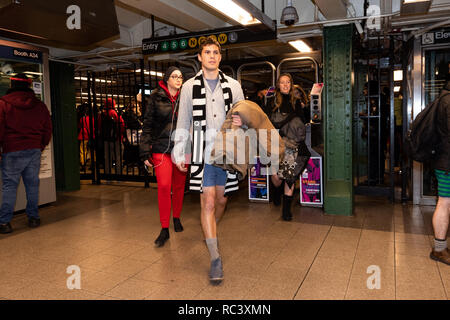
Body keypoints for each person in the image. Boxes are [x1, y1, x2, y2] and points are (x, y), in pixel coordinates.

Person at [174, 36, 244, 283]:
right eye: (207, 52)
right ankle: (215, 257)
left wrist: (241, 121)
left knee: (223, 200)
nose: (212, 56)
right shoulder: (188, 87)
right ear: (200, 57)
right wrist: (180, 151)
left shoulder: (234, 86)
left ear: (220, 57)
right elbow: (183, 121)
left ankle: (209, 229)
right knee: (209, 203)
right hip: (201, 153)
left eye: (216, 52)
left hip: (227, 152)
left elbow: (243, 117)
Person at [139, 66, 187, 247]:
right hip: (161, 148)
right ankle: (164, 228)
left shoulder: (186, 97)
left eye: (180, 77)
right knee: (165, 186)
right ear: (167, 79)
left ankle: (176, 217)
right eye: (174, 76)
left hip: (182, 148)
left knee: (179, 185)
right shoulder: (156, 97)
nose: (178, 79)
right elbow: (148, 125)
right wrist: (144, 151)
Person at [0, 73, 52, 234]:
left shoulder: (3, 104)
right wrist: (40, 144)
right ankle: (33, 217)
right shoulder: (40, 105)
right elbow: (47, 128)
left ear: (12, 85)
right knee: (32, 185)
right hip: (34, 150)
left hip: (11, 150)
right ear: (28, 86)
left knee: (9, 186)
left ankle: (4, 222)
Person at [264, 73, 309, 221]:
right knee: (276, 178)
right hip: (276, 143)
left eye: (288, 82)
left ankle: (286, 211)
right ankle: (276, 192)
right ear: (278, 85)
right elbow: (268, 121)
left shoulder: (296, 102)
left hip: (291, 144)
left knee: (289, 177)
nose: (285, 85)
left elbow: (302, 121)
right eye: (282, 82)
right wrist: (289, 118)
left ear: (291, 84)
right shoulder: (271, 101)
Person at [429, 78, 450, 265]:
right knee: (444, 203)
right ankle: (439, 248)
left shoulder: (442, 99)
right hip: (447, 164)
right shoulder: (448, 101)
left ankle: (440, 247)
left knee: (445, 203)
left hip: (443, 161)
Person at [99, 98, 125, 175]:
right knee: (118, 157)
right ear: (113, 104)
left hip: (106, 139)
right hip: (116, 139)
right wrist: (120, 135)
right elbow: (121, 125)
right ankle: (118, 174)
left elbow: (99, 127)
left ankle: (108, 174)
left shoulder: (102, 115)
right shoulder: (115, 113)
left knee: (107, 158)